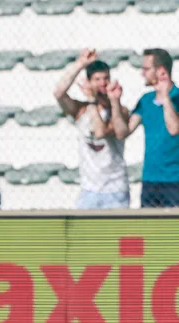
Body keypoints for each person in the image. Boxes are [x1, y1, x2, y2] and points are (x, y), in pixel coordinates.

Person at [112, 48, 179, 208]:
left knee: (176, 231)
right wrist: (115, 101)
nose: (142, 73)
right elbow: (123, 132)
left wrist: (165, 97)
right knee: (150, 231)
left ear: (161, 71)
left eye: (146, 69)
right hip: (150, 179)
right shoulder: (145, 100)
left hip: (177, 180)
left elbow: (174, 129)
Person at [54, 48, 130, 210]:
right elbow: (59, 92)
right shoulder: (80, 110)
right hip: (89, 189)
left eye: (105, 78)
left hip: (115, 188)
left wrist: (94, 100)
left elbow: (100, 132)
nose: (102, 83)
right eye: (97, 79)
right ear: (88, 82)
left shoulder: (118, 110)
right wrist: (80, 64)